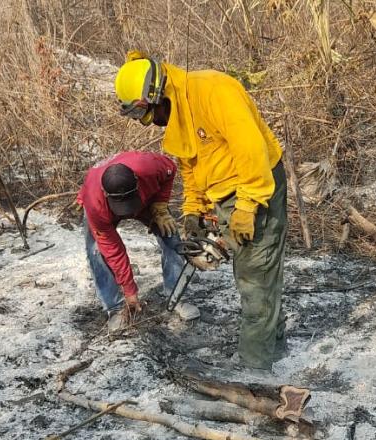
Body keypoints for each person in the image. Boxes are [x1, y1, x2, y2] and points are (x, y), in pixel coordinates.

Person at [113, 51, 287, 371]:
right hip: (225, 193)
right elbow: (191, 166)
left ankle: (255, 364)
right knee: (253, 273)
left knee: (254, 276)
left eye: (151, 116)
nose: (154, 125)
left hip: (257, 186)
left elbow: (252, 150)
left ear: (157, 96)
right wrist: (193, 211)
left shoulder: (213, 92)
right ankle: (272, 343)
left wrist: (247, 206)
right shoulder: (178, 113)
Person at [77, 151, 200, 331]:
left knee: (171, 236)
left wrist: (160, 205)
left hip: (145, 198)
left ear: (137, 179)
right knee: (96, 250)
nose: (127, 211)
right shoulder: (96, 205)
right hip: (99, 203)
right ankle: (114, 307)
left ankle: (177, 294)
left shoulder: (150, 166)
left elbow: (170, 170)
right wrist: (130, 291)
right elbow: (114, 250)